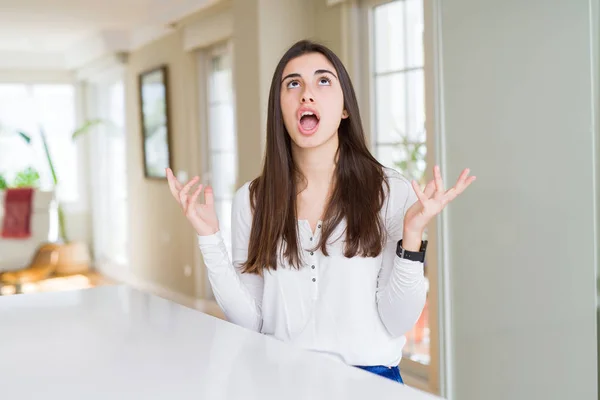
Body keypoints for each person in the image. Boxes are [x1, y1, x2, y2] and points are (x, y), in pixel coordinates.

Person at [166, 39, 475, 384]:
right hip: (280, 381)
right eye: (293, 83)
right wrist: (209, 239)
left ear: (345, 108)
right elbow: (251, 322)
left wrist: (413, 236)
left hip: (369, 383)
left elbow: (398, 320)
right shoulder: (252, 200)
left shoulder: (389, 190)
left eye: (323, 81)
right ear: (280, 108)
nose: (306, 94)